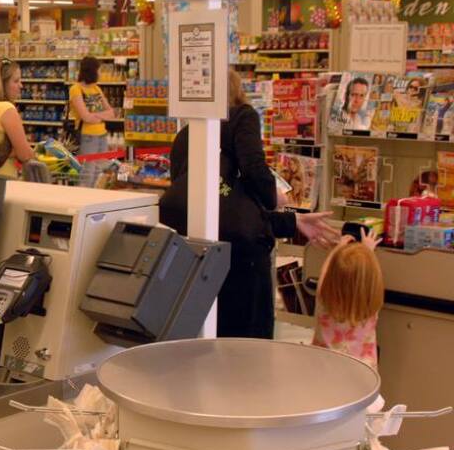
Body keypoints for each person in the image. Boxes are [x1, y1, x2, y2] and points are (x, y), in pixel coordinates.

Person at [160, 69, 337, 339]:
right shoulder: (242, 117)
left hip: (196, 251)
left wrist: (293, 221)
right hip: (242, 258)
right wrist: (273, 197)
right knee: (248, 339)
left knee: (209, 336)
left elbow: (223, 203)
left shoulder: (186, 134)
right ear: (236, 90)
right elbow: (253, 171)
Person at [313, 229, 384, 368]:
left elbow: (325, 272)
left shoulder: (323, 298)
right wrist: (368, 250)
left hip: (323, 368)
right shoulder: (371, 302)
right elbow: (371, 277)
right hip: (362, 371)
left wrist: (338, 249)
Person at [0, 58, 35, 179]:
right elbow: (25, 155)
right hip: (4, 180)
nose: (21, 85)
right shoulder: (6, 108)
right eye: (16, 81)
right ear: (1, 83)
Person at [69, 56, 115, 155]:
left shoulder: (96, 88)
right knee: (88, 164)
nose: (100, 73)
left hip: (102, 134)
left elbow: (111, 113)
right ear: (92, 71)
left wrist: (95, 116)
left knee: (102, 164)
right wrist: (102, 116)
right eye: (99, 70)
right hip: (87, 136)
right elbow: (86, 117)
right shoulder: (76, 89)